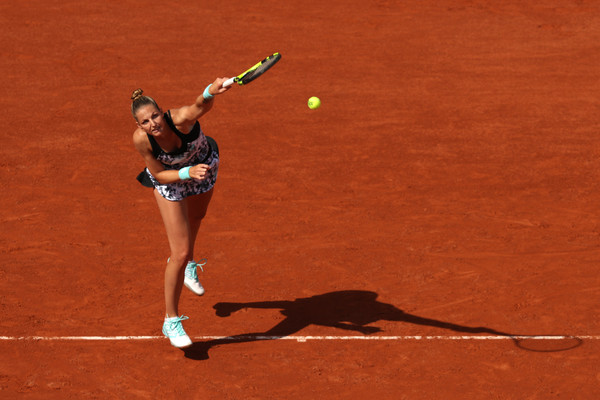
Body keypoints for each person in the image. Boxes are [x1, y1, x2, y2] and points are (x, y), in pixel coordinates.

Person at [131, 78, 232, 348]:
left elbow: (199, 105)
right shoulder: (142, 141)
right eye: (145, 122)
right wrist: (187, 172)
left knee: (198, 217)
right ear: (139, 126)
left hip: (204, 168)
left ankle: (189, 268)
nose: (153, 124)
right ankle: (171, 320)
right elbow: (159, 174)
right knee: (179, 251)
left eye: (155, 116)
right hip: (172, 181)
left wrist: (211, 91)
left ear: (162, 112)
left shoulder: (180, 120)